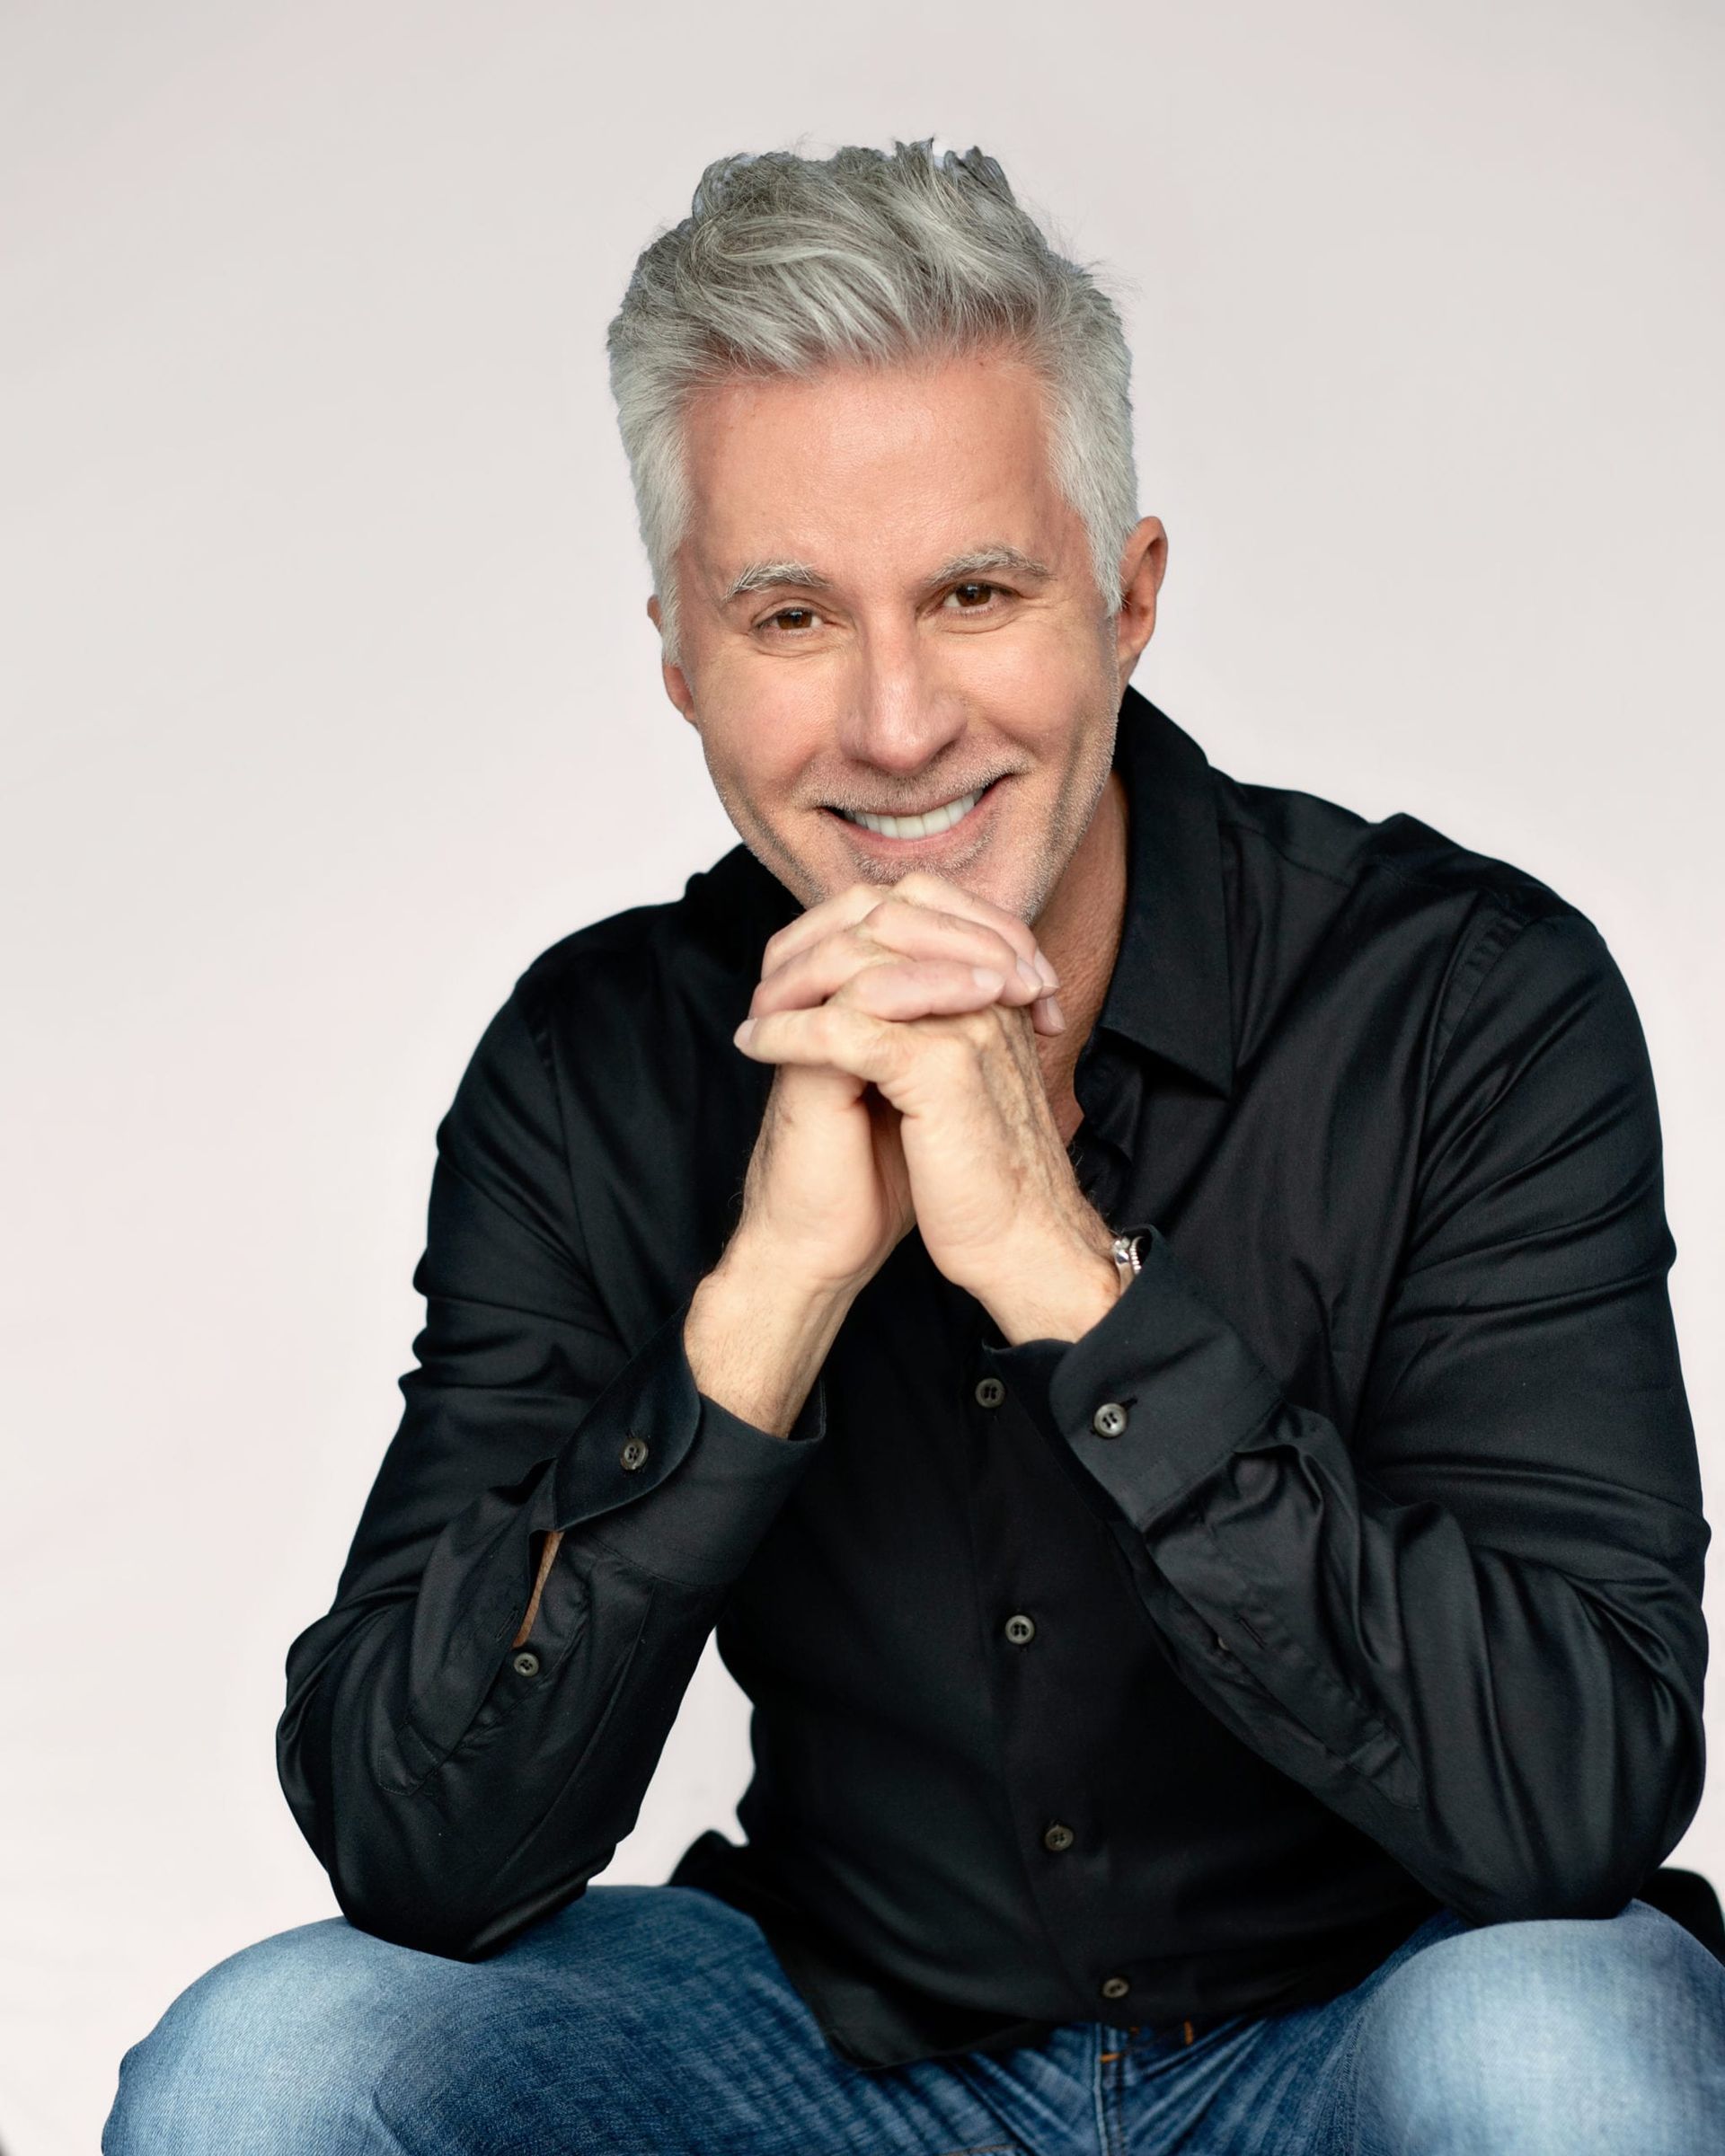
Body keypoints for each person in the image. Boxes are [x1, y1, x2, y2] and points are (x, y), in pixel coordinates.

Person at [104, 138, 1722, 2153]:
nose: (892, 725)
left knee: (1555, 2048)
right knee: (271, 2069)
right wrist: (763, 1302)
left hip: (1367, 2036)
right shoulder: (596, 1066)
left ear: (1128, 596)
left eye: (975, 592)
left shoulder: (1463, 1002)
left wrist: (1068, 1281)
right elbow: (411, 1845)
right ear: (679, 656)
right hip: (831, 2059)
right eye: (791, 614)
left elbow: (1579, 1796)